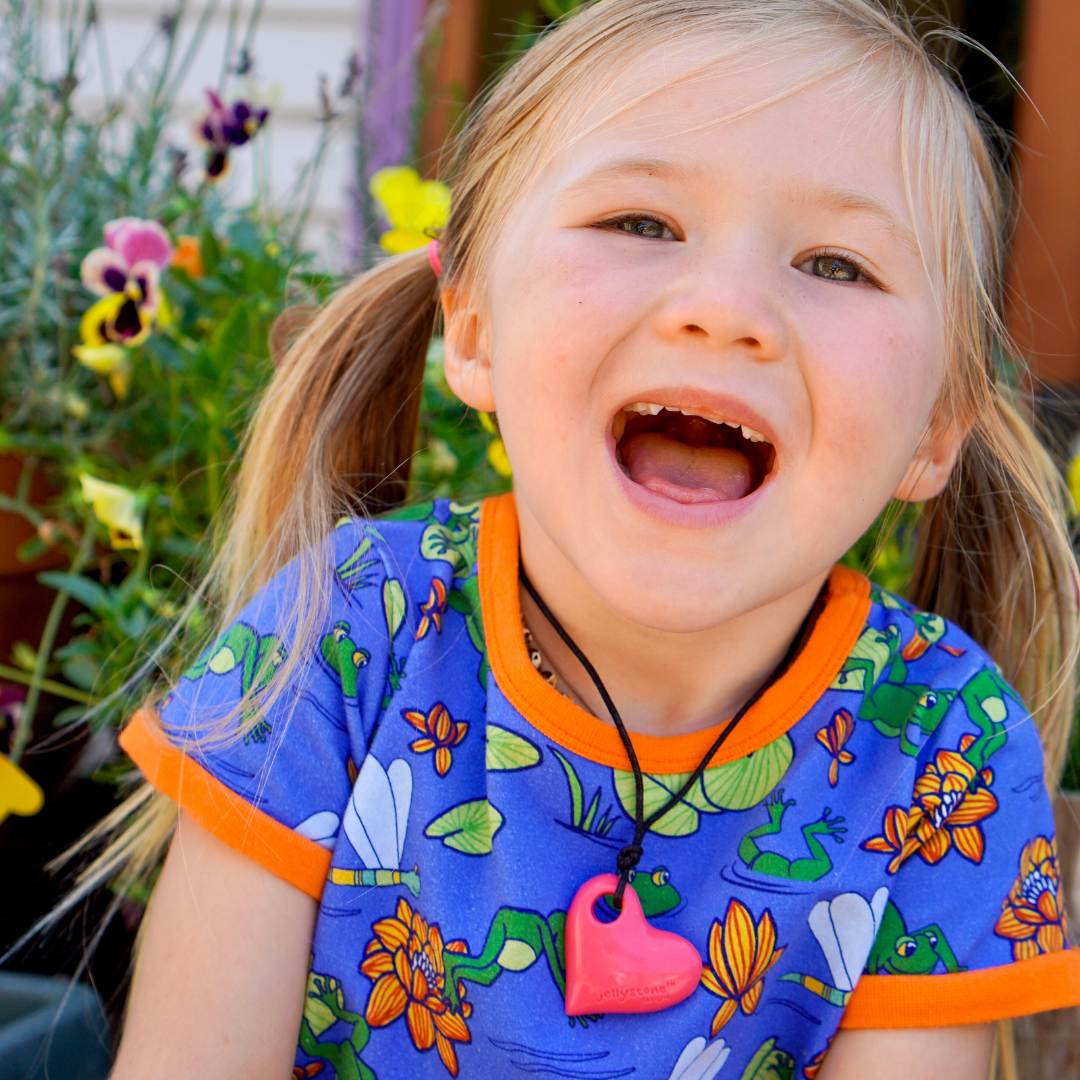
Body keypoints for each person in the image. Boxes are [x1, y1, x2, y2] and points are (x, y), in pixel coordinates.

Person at [105, 2, 1080, 1077]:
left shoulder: (942, 746)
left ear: (938, 426)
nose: (725, 308)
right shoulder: (350, 636)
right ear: (473, 325)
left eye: (839, 265)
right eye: (642, 224)